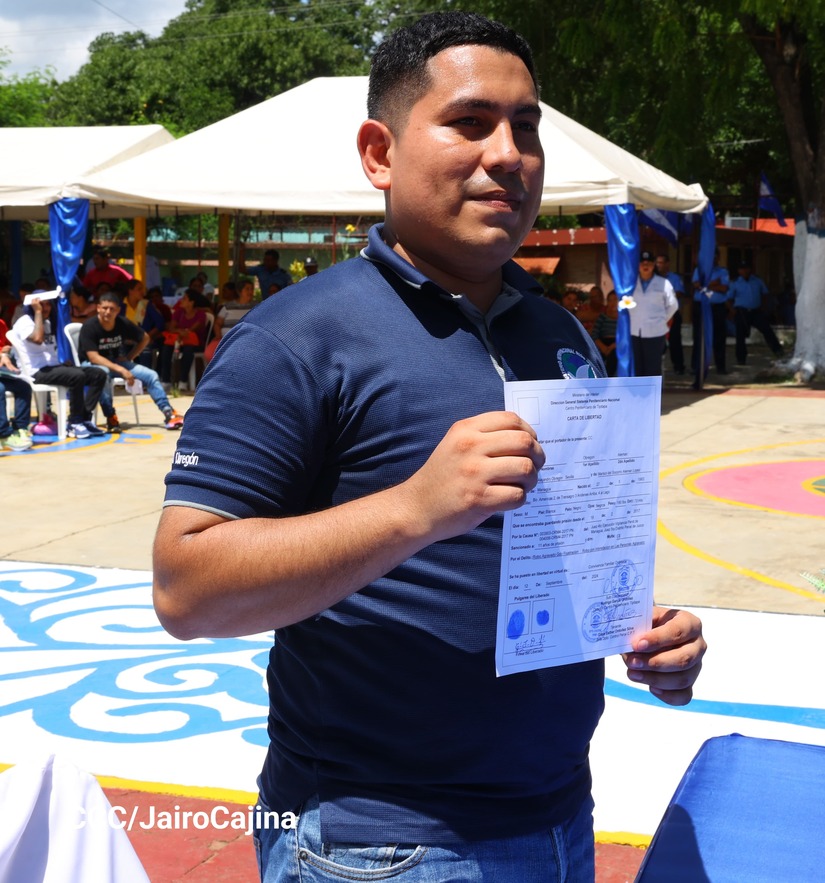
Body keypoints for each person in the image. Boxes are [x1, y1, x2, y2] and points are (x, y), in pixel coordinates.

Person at [153, 13, 705, 882]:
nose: (508, 155)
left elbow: (552, 551)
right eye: (469, 122)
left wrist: (638, 625)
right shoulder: (295, 338)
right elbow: (185, 590)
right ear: (379, 154)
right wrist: (415, 507)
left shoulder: (559, 332)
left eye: (526, 127)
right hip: (380, 842)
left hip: (560, 813)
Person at [79, 292, 184, 432]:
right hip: (92, 365)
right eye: (104, 308)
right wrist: (121, 369)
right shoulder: (90, 326)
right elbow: (93, 357)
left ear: (118, 310)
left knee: (151, 375)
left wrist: (130, 356)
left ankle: (168, 413)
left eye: (112, 309)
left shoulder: (122, 323)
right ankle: (110, 416)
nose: (108, 312)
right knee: (102, 374)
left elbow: (145, 338)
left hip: (116, 362)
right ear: (98, 308)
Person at [12, 296, 107, 439]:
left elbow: (49, 351)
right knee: (77, 376)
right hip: (35, 371)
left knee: (98, 374)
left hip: (51, 368)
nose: (45, 308)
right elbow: (37, 339)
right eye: (41, 304)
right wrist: (38, 312)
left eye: (48, 304)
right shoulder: (24, 322)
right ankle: (75, 422)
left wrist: (62, 364)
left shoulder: (47, 322)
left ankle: (84, 419)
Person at [628, 250, 678, 376]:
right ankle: (638, 390)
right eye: (642, 263)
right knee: (637, 368)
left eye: (649, 263)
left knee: (653, 369)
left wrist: (661, 320)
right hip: (634, 331)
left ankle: (653, 390)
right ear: (638, 265)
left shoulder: (664, 283)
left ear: (653, 265)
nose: (646, 266)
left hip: (655, 332)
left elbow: (673, 305)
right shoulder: (630, 283)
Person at [728, 261, 784, 365]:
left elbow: (765, 294)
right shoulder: (734, 283)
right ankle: (741, 359)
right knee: (740, 336)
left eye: (746, 268)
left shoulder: (758, 281)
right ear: (739, 271)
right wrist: (732, 310)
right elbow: (729, 298)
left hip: (756, 311)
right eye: (742, 269)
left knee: (767, 330)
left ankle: (778, 352)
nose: (744, 271)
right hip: (742, 311)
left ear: (750, 269)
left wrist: (764, 307)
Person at [158, 290, 210, 389]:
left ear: (192, 302)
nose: (181, 300)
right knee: (166, 347)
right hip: (179, 341)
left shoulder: (200, 314)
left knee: (188, 350)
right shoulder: (179, 312)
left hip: (195, 343)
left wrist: (182, 332)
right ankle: (166, 380)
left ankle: (183, 381)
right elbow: (171, 328)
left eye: (185, 298)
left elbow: (192, 330)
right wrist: (179, 331)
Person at [692, 249, 730, 375]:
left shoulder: (723, 271)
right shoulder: (699, 270)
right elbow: (696, 285)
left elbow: (724, 288)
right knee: (699, 337)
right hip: (701, 306)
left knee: (719, 337)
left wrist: (705, 284)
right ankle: (697, 367)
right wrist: (713, 283)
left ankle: (721, 367)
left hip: (717, 307)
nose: (712, 259)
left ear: (718, 258)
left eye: (715, 257)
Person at [121, 279, 167, 368]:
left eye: (143, 289)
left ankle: (144, 375)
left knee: (145, 350)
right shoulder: (121, 305)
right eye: (139, 289)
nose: (143, 292)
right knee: (120, 351)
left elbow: (160, 323)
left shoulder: (146, 304)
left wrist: (147, 336)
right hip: (125, 341)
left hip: (143, 339)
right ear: (130, 291)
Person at [0, 335, 33, 451]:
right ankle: (3, 435)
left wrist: (5, 353)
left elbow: (6, 346)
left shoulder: (2, 326)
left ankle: (20, 428)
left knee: (24, 387)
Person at [655, 253, 686, 374]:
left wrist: (666, 296)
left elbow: (680, 293)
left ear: (667, 264)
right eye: (657, 263)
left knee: (675, 341)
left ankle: (679, 367)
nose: (658, 265)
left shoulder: (674, 278)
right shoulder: (653, 278)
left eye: (661, 263)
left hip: (672, 314)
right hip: (657, 314)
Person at [590, 290, 619, 376]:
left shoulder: (624, 317)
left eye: (615, 299)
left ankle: (608, 378)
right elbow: (594, 334)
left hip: (617, 344)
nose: (613, 303)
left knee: (614, 355)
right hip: (602, 343)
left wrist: (614, 346)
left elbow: (627, 335)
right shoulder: (602, 316)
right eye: (610, 300)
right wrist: (603, 347)